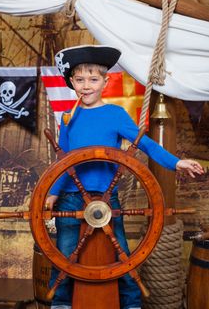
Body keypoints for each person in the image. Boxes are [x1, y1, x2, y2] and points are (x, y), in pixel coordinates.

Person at [46, 45, 204, 309]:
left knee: (124, 257)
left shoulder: (116, 115)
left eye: (93, 79)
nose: (86, 86)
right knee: (63, 257)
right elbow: (63, 164)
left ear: (106, 82)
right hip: (70, 199)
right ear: (71, 82)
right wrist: (51, 193)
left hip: (108, 200)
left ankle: (131, 304)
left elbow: (148, 146)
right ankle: (60, 304)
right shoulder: (67, 117)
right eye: (80, 79)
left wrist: (177, 163)